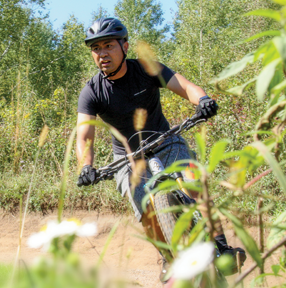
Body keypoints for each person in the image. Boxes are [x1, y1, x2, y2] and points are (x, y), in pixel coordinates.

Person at [76, 17, 246, 283]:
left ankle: (221, 247)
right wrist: (86, 166)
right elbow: (84, 135)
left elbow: (184, 85)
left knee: (194, 183)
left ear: (125, 46)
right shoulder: (92, 92)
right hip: (127, 158)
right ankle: (168, 257)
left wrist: (202, 100)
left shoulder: (146, 68)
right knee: (145, 210)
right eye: (96, 49)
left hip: (165, 139)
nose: (102, 54)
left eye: (108, 45)